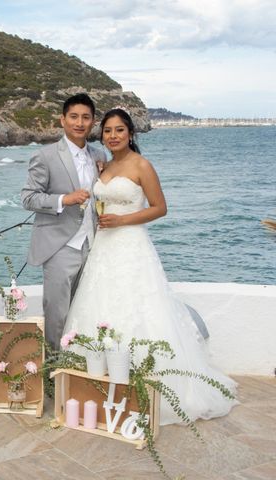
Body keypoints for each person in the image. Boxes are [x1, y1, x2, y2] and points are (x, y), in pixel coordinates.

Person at [64, 108, 237, 424]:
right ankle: (98, 387)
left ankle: (144, 385)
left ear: (131, 133)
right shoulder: (104, 166)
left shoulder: (142, 165)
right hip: (104, 249)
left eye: (119, 130)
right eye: (107, 131)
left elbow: (160, 208)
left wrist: (122, 220)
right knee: (99, 306)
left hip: (132, 246)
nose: (113, 136)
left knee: (139, 308)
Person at [21, 93, 107, 350]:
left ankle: (75, 367)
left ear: (93, 122)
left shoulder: (99, 154)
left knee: (85, 310)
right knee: (57, 313)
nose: (79, 123)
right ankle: (52, 373)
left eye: (85, 117)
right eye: (73, 117)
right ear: (62, 120)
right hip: (59, 246)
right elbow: (28, 198)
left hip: (93, 245)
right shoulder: (45, 155)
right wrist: (64, 199)